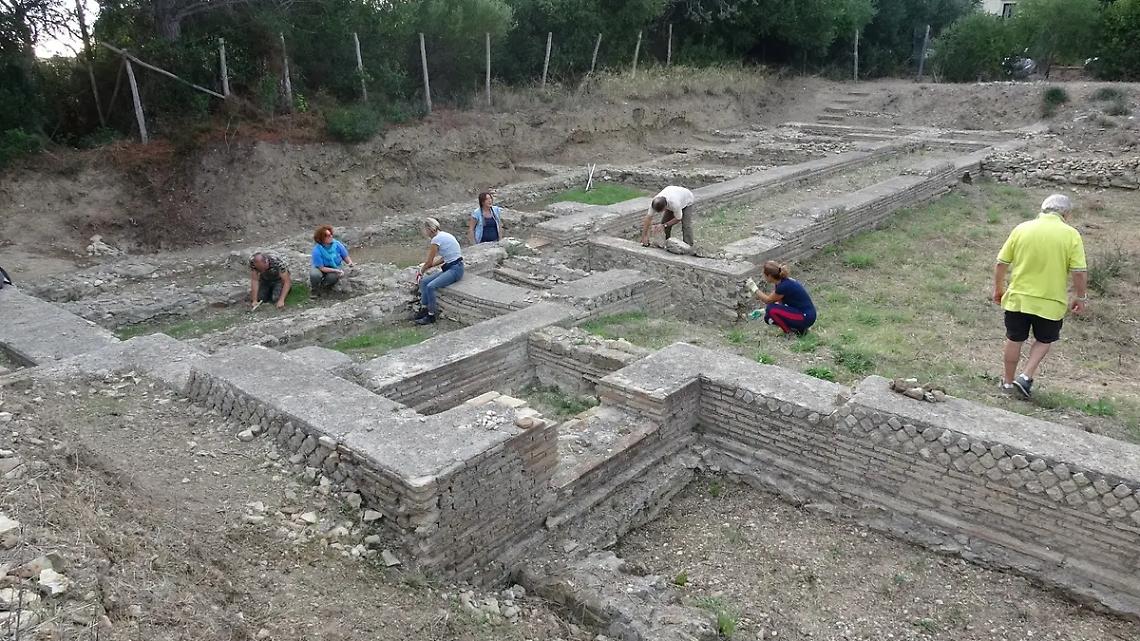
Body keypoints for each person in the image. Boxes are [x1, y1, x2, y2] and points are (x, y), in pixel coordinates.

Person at [993, 194, 1087, 399]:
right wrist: (1081, 297)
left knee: (1014, 338)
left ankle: (1008, 383)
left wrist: (998, 289)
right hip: (1050, 302)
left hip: (1018, 298)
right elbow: (1079, 271)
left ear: (1042, 209)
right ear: (1066, 214)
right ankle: (1026, 376)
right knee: (1045, 340)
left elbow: (1001, 263)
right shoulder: (1071, 235)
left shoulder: (1022, 228)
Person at [414, 218, 464, 325]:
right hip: (453, 266)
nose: (424, 232)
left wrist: (421, 271)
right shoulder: (444, 235)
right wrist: (430, 265)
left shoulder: (436, 240)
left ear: (429, 229)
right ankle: (424, 309)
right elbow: (445, 257)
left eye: (425, 229)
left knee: (431, 286)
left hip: (455, 269)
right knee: (424, 282)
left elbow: (429, 261)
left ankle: (431, 315)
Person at [746, 261, 816, 335]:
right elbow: (780, 303)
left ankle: (789, 333)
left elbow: (768, 300)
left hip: (805, 317)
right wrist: (763, 311)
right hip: (802, 314)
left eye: (764, 275)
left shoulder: (783, 286)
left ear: (769, 276)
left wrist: (753, 287)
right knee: (768, 317)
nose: (763, 276)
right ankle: (799, 330)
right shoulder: (782, 282)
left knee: (771, 309)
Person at [310, 225, 354, 293]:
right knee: (315, 275)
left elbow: (345, 256)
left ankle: (324, 287)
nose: (330, 236)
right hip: (321, 267)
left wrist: (349, 263)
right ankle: (315, 290)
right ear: (321, 238)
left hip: (336, 265)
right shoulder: (317, 250)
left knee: (333, 277)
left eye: (330, 234)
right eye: (327, 235)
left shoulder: (337, 244)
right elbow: (322, 268)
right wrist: (335, 270)